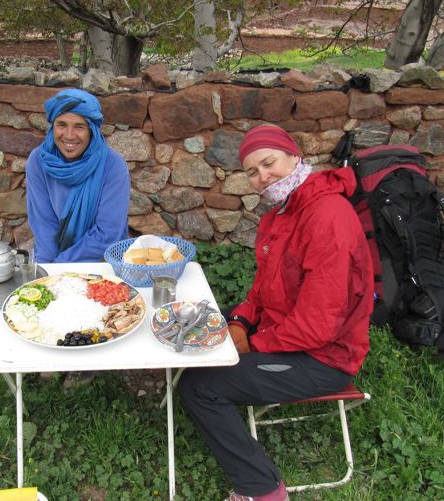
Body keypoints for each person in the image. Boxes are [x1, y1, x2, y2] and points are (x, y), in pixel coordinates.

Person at [178, 125, 374, 501]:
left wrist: (250, 344)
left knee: (199, 387)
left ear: (295, 157)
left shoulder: (327, 216)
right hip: (283, 330)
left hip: (322, 358)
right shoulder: (282, 214)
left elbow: (317, 327)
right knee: (197, 319)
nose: (262, 177)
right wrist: (239, 322)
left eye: (269, 163)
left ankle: (263, 490)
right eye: (252, 172)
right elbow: (261, 292)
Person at [25, 88, 130, 263]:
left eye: (79, 127)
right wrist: (47, 271)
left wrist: (61, 265)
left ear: (91, 130)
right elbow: (44, 225)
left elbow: (108, 233)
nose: (69, 136)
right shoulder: (38, 161)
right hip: (54, 260)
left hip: (102, 261)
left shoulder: (113, 166)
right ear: (53, 126)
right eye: (61, 125)